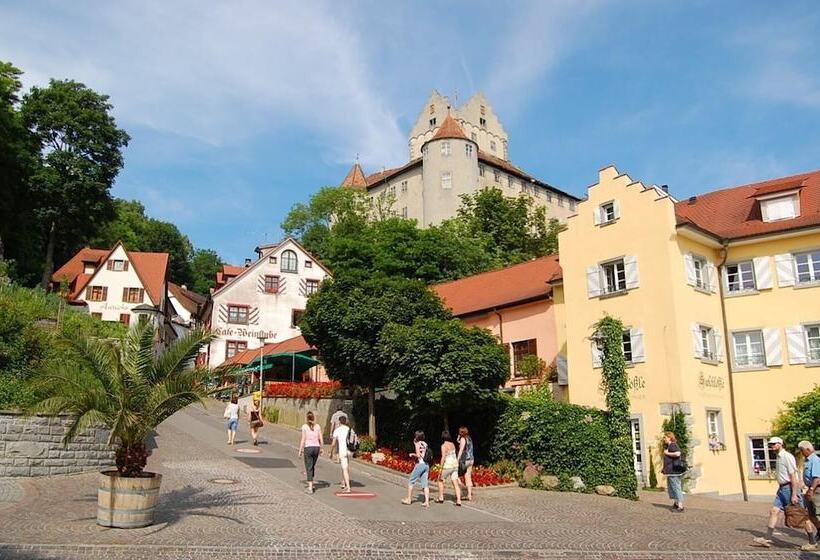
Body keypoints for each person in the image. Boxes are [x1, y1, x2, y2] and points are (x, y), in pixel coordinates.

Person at [753, 437, 818, 549]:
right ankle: (767, 538)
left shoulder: (786, 457)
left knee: (801, 515)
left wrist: (793, 494)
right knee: (774, 511)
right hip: (782, 488)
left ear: (780, 444)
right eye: (770, 444)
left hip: (789, 488)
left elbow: (793, 476)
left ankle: (812, 542)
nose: (771, 446)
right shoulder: (778, 457)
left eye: (773, 444)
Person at [799, 441, 820, 551]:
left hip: (816, 490)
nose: (801, 453)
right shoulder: (807, 460)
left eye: (801, 450)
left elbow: (817, 478)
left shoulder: (814, 460)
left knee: (817, 513)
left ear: (807, 449)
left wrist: (811, 490)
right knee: (811, 515)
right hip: (810, 489)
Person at [402, 431, 430, 507]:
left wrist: (412, 454)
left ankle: (409, 499)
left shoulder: (418, 444)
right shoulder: (425, 444)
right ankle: (427, 502)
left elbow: (418, 455)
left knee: (411, 481)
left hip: (420, 464)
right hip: (426, 464)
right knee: (425, 483)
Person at [298, 411, 324, 494]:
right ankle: (311, 482)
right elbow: (321, 438)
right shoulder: (318, 426)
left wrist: (300, 450)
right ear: (313, 418)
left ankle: (310, 487)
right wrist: (322, 448)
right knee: (312, 465)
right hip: (316, 447)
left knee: (309, 467)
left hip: (308, 447)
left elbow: (303, 439)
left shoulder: (304, 427)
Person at [436, 430, 462, 506]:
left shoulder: (443, 446)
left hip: (448, 466)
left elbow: (443, 457)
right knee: (455, 483)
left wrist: (440, 468)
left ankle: (441, 497)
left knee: (440, 480)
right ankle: (458, 500)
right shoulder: (452, 444)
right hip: (455, 465)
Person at [661, 432, 684, 513]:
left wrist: (667, 453)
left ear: (669, 437)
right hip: (671, 471)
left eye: (665, 437)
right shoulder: (670, 446)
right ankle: (676, 503)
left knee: (676, 487)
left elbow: (678, 453)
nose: (664, 439)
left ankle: (680, 506)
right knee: (672, 488)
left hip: (674, 471)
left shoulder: (673, 445)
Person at [331, 415, 352, 493]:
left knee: (344, 469)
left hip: (342, 451)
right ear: (346, 421)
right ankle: (343, 482)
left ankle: (348, 487)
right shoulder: (348, 429)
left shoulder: (337, 430)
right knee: (345, 467)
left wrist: (331, 452)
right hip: (349, 451)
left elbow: (333, 444)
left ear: (339, 422)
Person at [457, 426, 475, 502]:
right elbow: (466, 446)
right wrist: (458, 440)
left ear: (461, 432)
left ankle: (461, 490)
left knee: (456, 475)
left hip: (465, 460)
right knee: (468, 477)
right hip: (471, 459)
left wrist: (457, 459)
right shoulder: (469, 439)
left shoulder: (463, 439)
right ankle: (469, 495)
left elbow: (461, 450)